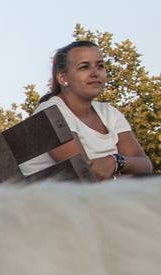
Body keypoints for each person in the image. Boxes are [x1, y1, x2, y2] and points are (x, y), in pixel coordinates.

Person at [20, 40, 154, 179]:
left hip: (103, 195)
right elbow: (84, 174)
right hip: (56, 198)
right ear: (62, 77)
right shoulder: (50, 113)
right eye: (84, 67)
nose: (95, 73)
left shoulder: (109, 113)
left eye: (100, 66)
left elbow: (145, 165)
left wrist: (115, 161)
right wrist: (123, 171)